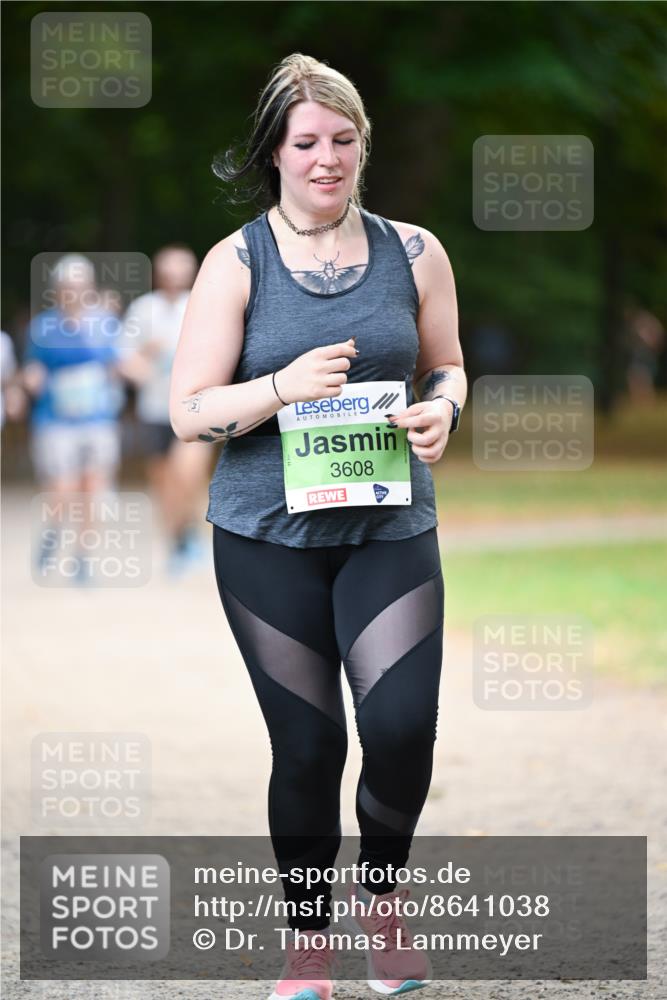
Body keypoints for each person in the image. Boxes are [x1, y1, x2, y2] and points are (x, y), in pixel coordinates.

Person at [170, 53, 467, 999]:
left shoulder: (414, 252)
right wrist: (278, 389)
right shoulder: (235, 261)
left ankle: (383, 899)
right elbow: (186, 412)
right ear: (274, 153)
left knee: (401, 725)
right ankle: (308, 941)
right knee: (307, 748)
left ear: (362, 147)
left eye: (344, 141)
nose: (327, 159)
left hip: (387, 528)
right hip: (264, 538)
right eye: (307, 142)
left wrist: (443, 412)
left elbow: (448, 366)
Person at [20, 254, 126, 582]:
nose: (73, 293)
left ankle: (82, 558)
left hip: (98, 420)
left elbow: (119, 364)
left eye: (80, 286)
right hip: (56, 421)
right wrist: (30, 380)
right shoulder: (43, 327)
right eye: (67, 287)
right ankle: (54, 530)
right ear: (57, 290)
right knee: (63, 490)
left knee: (93, 491)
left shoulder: (106, 323)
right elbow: (33, 369)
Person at [122, 244, 210, 576]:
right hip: (154, 409)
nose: (175, 276)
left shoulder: (200, 305)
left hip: (194, 406)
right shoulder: (142, 310)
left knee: (188, 474)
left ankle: (192, 534)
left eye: (181, 269)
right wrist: (143, 360)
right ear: (159, 273)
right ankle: (178, 541)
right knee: (163, 482)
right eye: (169, 270)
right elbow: (125, 358)